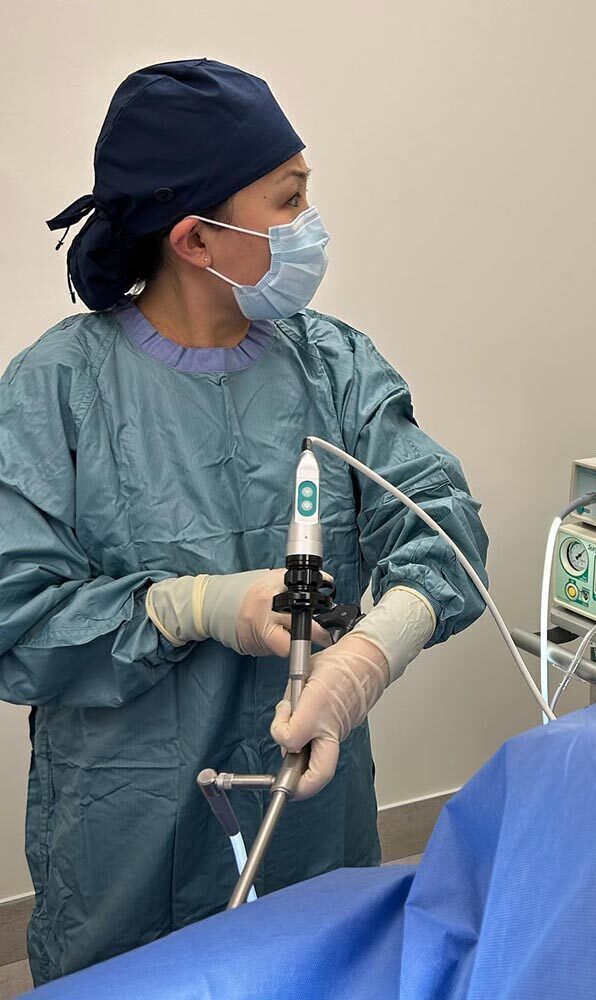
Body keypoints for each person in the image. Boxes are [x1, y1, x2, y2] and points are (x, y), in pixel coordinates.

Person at [0, 58, 488, 985]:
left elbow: (446, 535)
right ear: (195, 238)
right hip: (122, 834)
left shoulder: (335, 369)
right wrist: (194, 606)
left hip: (307, 819)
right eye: (289, 199)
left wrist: (363, 659)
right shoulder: (56, 391)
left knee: (312, 970)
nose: (311, 225)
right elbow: (13, 616)